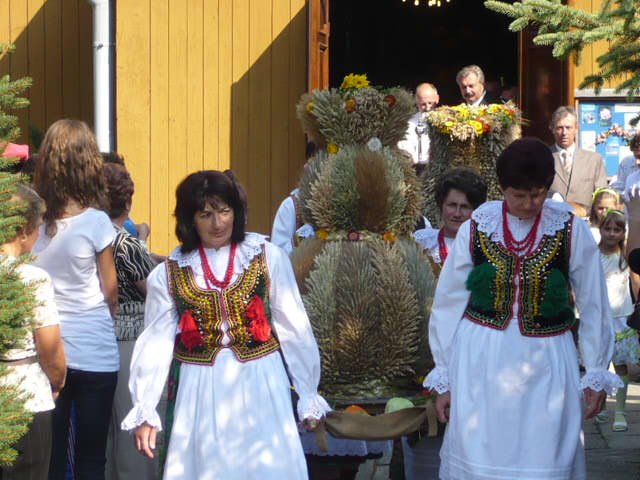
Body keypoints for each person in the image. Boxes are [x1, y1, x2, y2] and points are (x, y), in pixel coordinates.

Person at [424, 137, 620, 479]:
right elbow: (447, 304)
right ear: (502, 188)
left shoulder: (569, 229)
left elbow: (594, 305)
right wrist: (444, 376)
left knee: (545, 459)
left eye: (538, 193)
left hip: (548, 361)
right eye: (519, 195)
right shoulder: (477, 227)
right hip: (481, 361)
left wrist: (595, 370)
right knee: (479, 455)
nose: (529, 204)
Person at [122, 170, 330, 479]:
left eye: (224, 211)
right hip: (200, 390)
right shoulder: (170, 273)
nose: (217, 223)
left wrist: (308, 392)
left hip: (262, 383)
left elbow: (294, 327)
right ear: (189, 220)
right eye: (205, 214)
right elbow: (155, 343)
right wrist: (145, 407)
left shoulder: (267, 257)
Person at [31, 119, 119, 480]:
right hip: (95, 350)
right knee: (91, 459)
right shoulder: (96, 222)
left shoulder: (32, 224)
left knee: (52, 458)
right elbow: (110, 290)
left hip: (47, 351)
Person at [0, 185, 66, 480]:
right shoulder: (32, 278)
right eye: (38, 227)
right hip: (25, 395)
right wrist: (58, 379)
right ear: (23, 231)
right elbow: (50, 349)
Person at [102, 163, 158, 480]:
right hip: (131, 339)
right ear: (128, 201)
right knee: (134, 425)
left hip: (102, 338)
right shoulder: (126, 242)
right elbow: (153, 289)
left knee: (110, 431)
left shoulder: (94, 237)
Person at [595, 209, 638, 432]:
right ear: (600, 229)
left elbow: (635, 282)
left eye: (617, 229)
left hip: (621, 317)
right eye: (608, 228)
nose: (612, 233)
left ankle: (619, 411)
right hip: (599, 317)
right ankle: (600, 404)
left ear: (623, 233)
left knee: (620, 364)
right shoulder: (592, 255)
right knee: (600, 364)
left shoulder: (625, 257)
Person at [414, 167, 487, 274]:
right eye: (452, 205)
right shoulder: (423, 242)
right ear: (441, 205)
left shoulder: (486, 250)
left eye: (465, 207)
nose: (457, 214)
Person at [548, 106, 607, 218]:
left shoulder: (594, 160)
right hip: (550, 221)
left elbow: (602, 197)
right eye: (559, 128)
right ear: (552, 129)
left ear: (576, 128)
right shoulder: (542, 158)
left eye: (568, 127)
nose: (564, 132)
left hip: (584, 221)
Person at [398, 83, 440, 169]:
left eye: (430, 103)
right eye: (423, 104)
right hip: (417, 168)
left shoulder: (447, 120)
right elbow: (406, 145)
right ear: (416, 102)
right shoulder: (410, 122)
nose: (427, 108)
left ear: (437, 99)